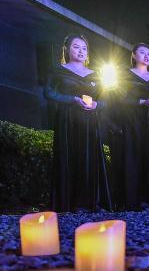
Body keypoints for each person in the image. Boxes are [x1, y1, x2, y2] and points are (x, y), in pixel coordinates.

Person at [44, 34, 111, 211]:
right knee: (70, 158)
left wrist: (97, 104)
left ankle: (91, 202)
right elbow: (49, 93)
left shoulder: (95, 74)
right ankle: (70, 203)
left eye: (84, 48)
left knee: (90, 159)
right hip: (68, 120)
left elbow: (106, 99)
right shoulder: (58, 69)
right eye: (76, 47)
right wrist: (72, 99)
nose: (81, 51)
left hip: (90, 121)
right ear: (66, 49)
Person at [111, 42, 149, 210]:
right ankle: (133, 200)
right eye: (142, 52)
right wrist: (142, 102)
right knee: (134, 158)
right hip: (132, 121)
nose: (147, 56)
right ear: (134, 55)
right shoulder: (125, 75)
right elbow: (119, 99)